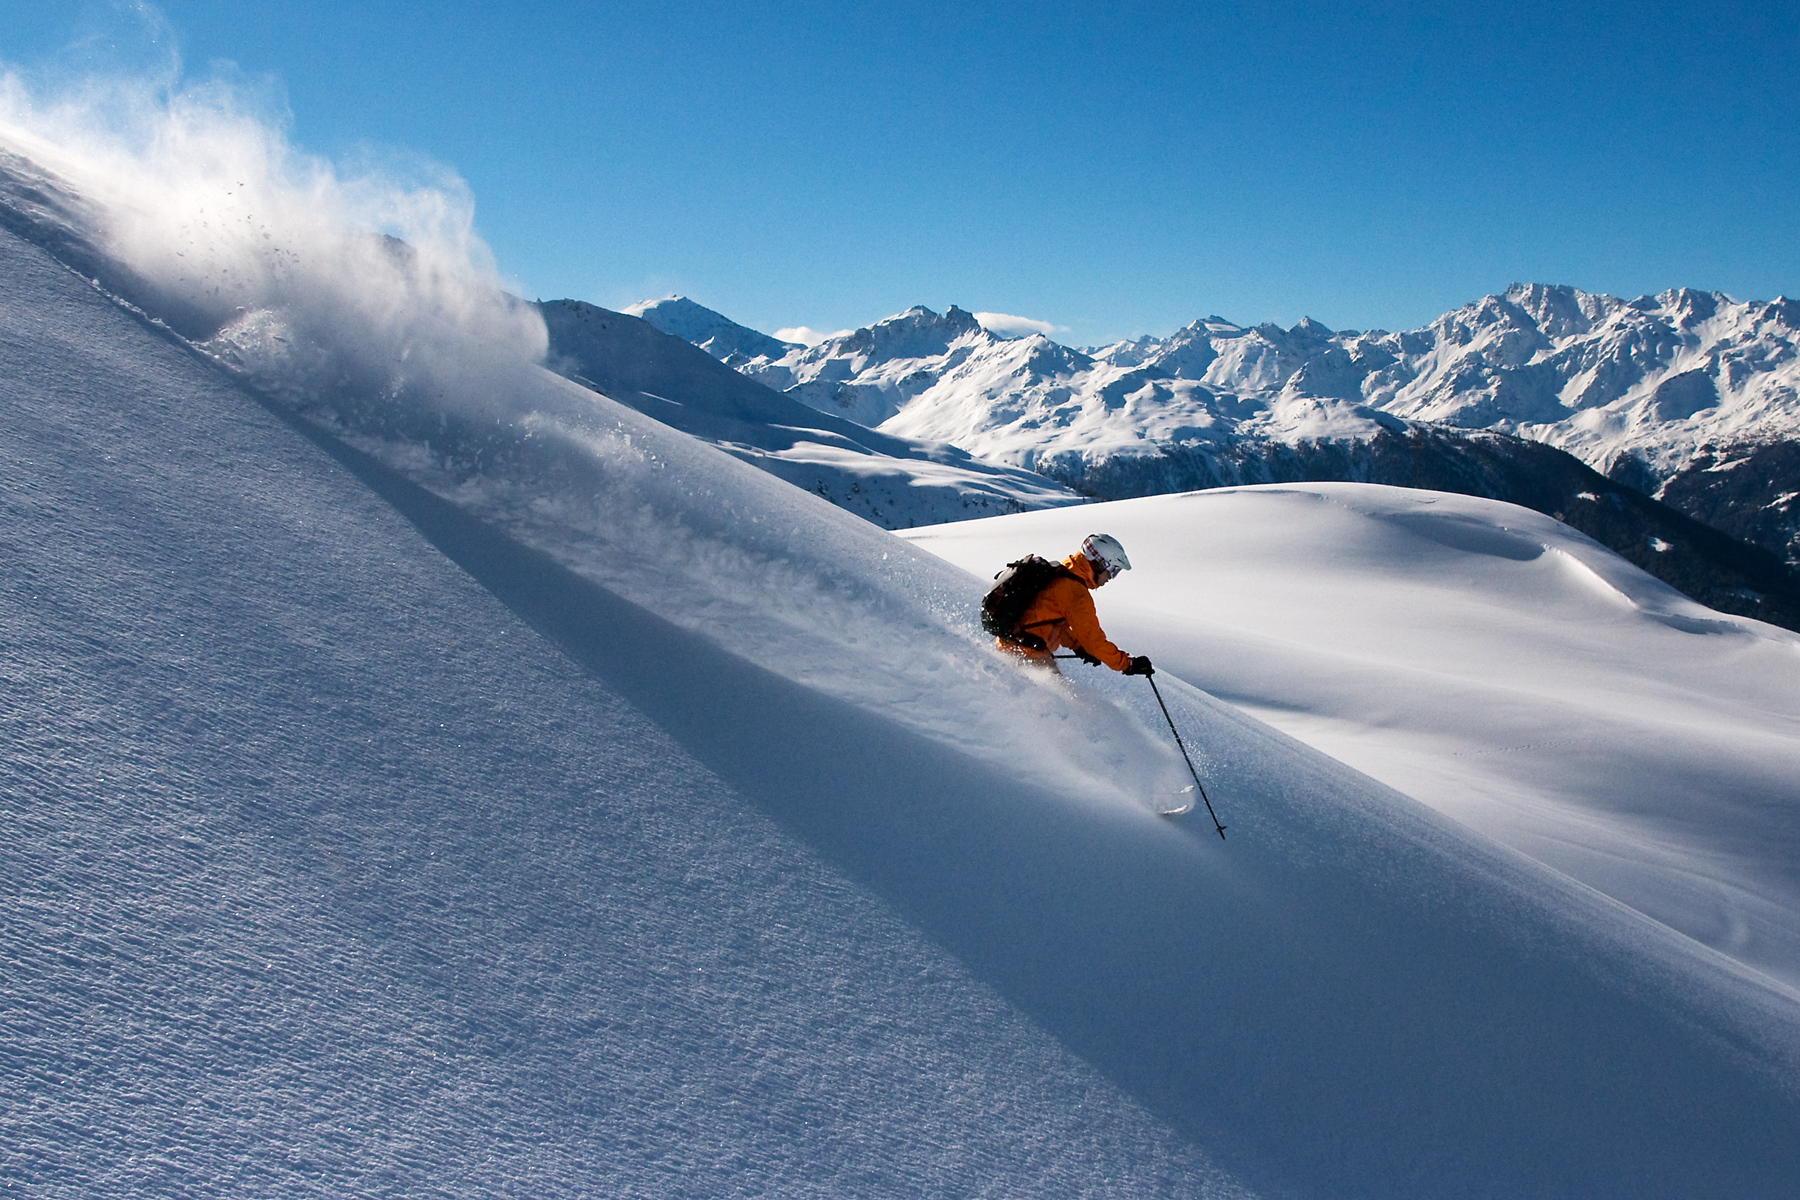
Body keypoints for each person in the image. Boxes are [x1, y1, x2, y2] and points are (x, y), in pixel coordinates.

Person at [1004, 533, 1154, 676]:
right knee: (1058, 700)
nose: (1110, 578)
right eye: (1113, 571)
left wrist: (1078, 646)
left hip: (1013, 646)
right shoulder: (1076, 593)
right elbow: (1094, 641)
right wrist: (1128, 664)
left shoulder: (1062, 572)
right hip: (1026, 654)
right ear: (1099, 564)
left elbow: (1051, 623)